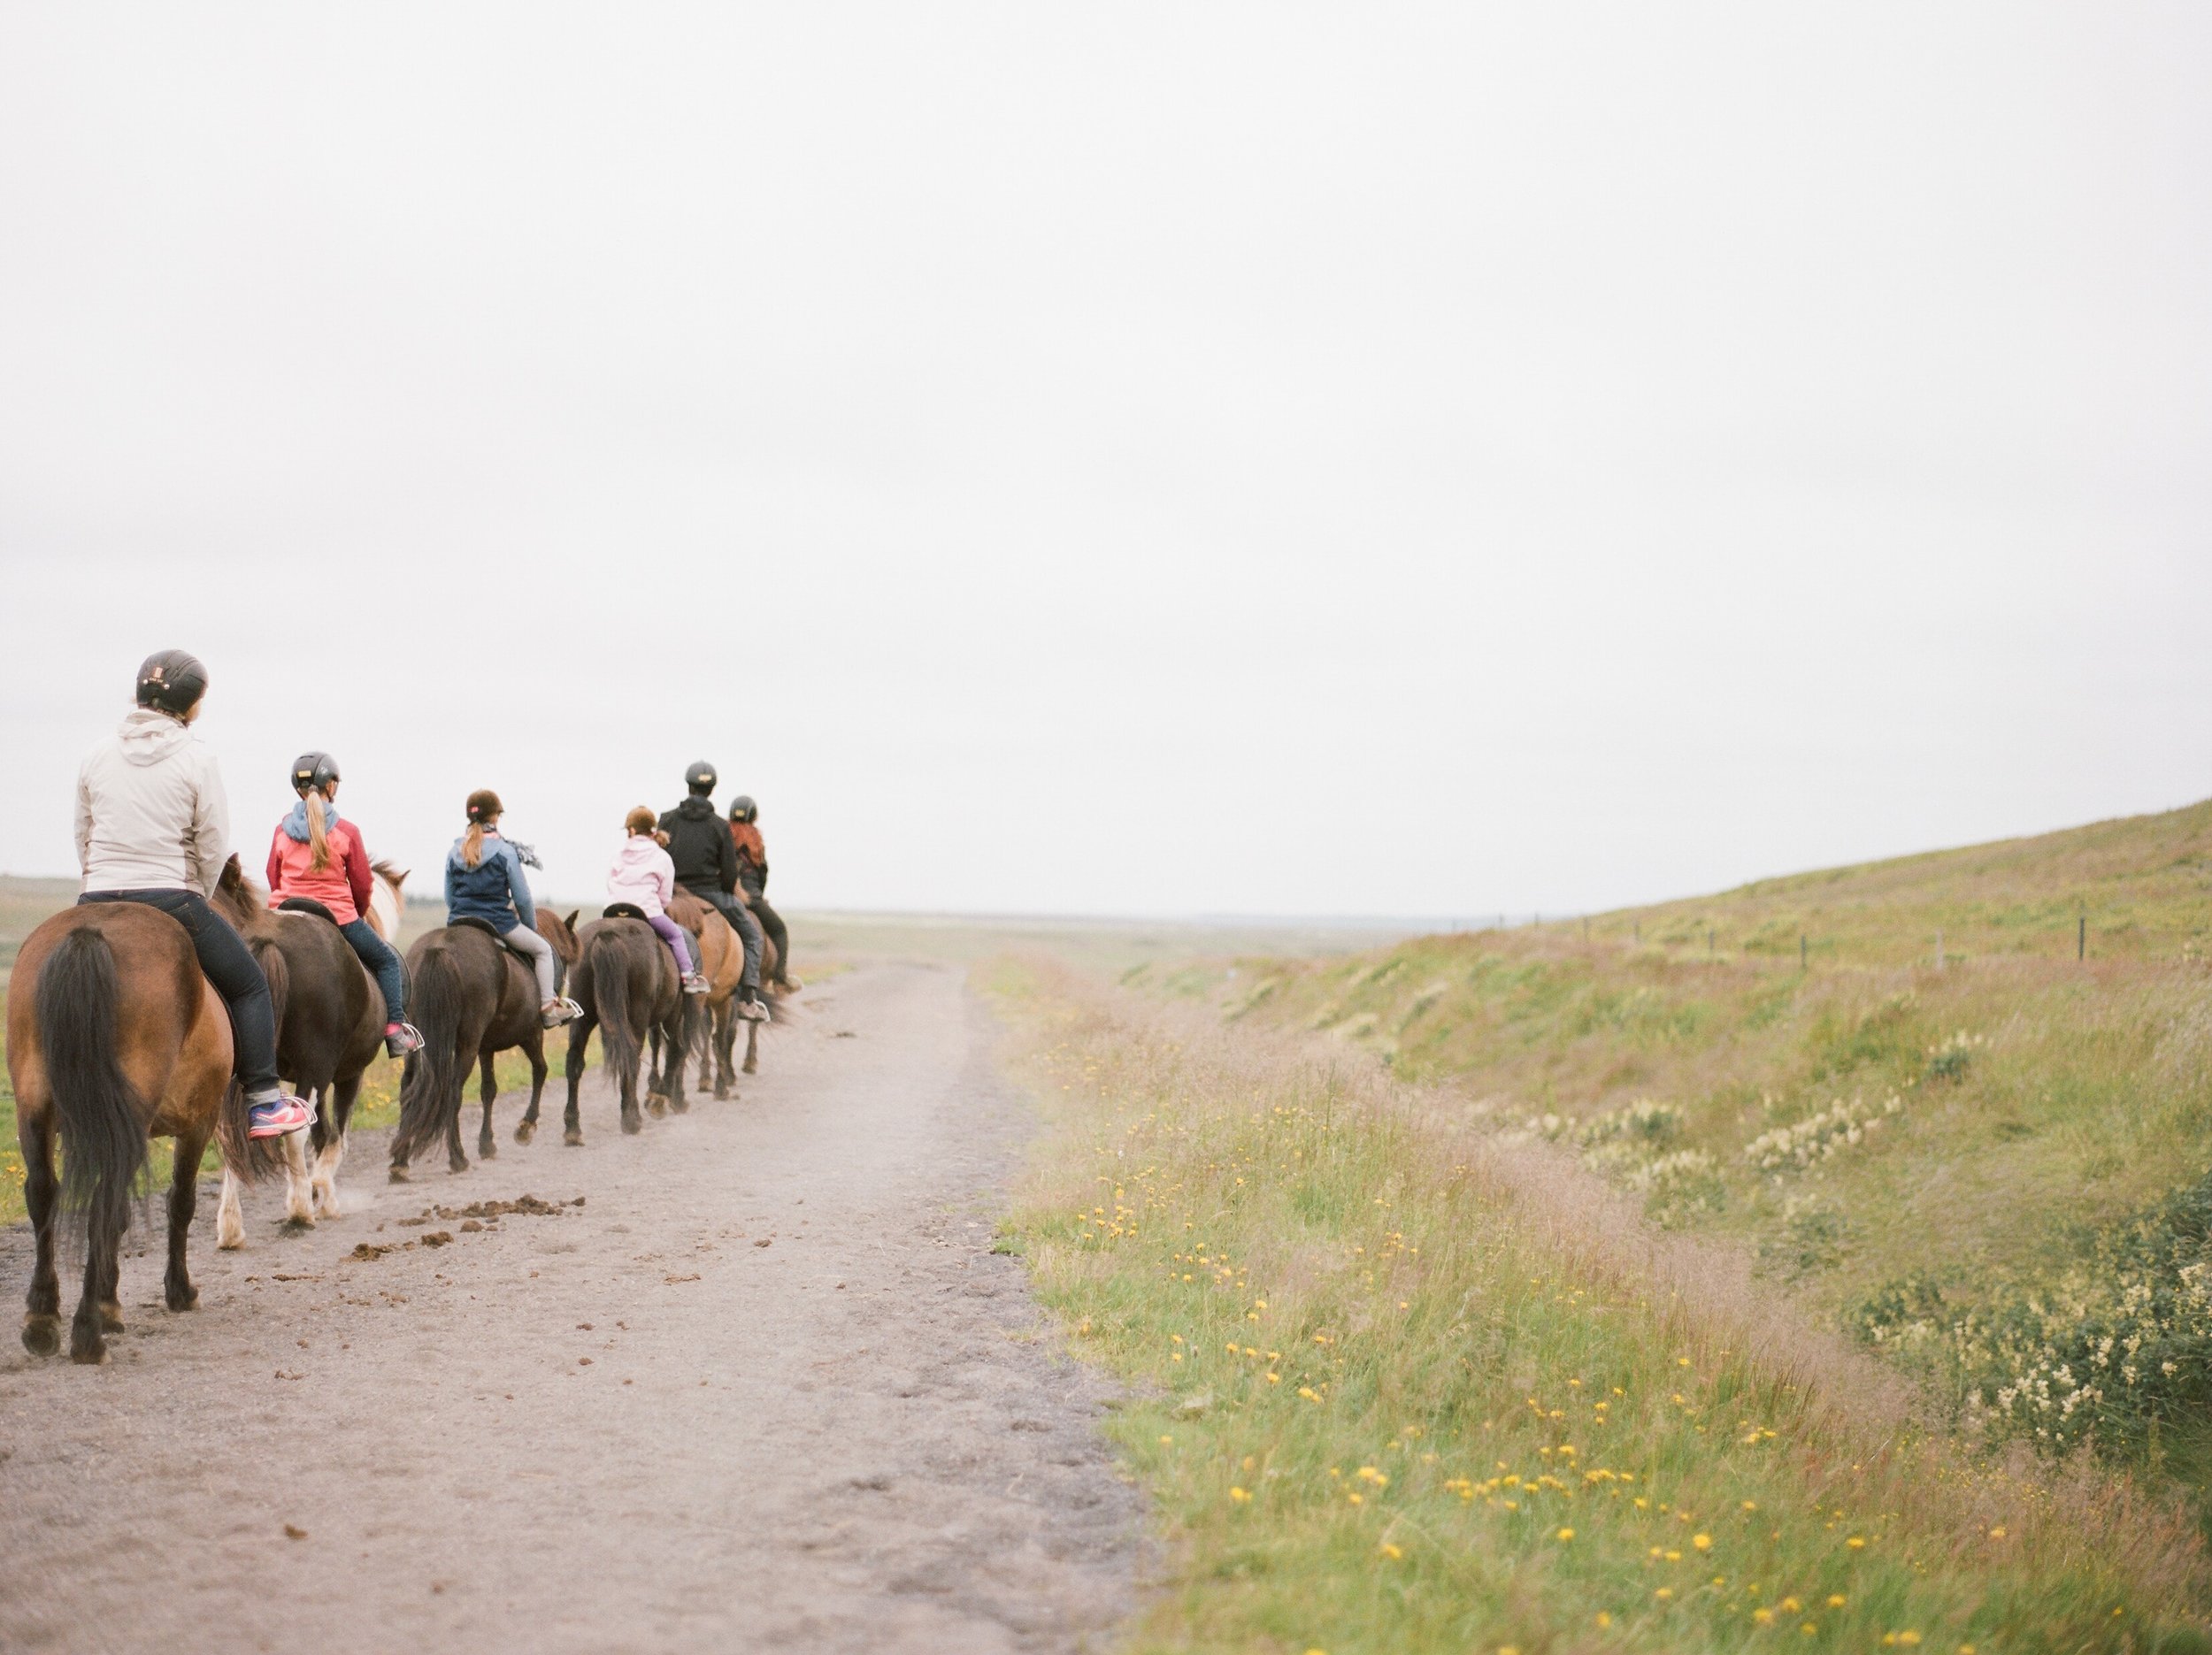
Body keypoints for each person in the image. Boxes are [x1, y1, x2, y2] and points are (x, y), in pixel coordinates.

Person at [74, 650, 312, 1138]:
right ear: (193, 705)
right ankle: (265, 1101)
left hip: (96, 896)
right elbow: (212, 843)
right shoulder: (197, 759)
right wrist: (196, 896)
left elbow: (84, 831)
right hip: (170, 896)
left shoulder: (96, 754)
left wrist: (98, 881)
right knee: (249, 986)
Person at [265, 751, 425, 1057]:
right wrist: (357, 913)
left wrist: (282, 908)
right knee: (387, 961)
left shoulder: (280, 831)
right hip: (337, 916)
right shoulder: (347, 832)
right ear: (331, 786)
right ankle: (394, 1031)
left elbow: (272, 875)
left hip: (284, 914)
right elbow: (364, 884)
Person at [443, 790, 580, 1029]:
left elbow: (449, 896)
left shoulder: (455, 851)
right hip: (498, 922)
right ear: (495, 817)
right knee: (543, 950)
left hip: (459, 921)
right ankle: (548, 1008)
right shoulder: (506, 851)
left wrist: (460, 916)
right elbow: (523, 899)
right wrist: (530, 927)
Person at [658, 761, 766, 1021]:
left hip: (672, 894)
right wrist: (727, 890)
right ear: (712, 789)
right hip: (710, 894)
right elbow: (730, 873)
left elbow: (658, 858)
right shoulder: (719, 826)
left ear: (689, 786)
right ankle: (748, 999)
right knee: (753, 937)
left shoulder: (667, 819)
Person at [608, 806, 709, 994]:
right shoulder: (662, 856)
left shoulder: (618, 853)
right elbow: (665, 896)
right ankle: (688, 977)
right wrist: (657, 907)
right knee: (676, 935)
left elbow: (610, 883)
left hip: (613, 912)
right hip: (648, 914)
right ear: (652, 830)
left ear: (631, 830)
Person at [727, 794, 798, 991]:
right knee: (779, 930)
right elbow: (762, 874)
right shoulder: (755, 840)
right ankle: (780, 976)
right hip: (750, 897)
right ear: (754, 816)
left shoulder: (723, 833)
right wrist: (758, 895)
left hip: (725, 894)